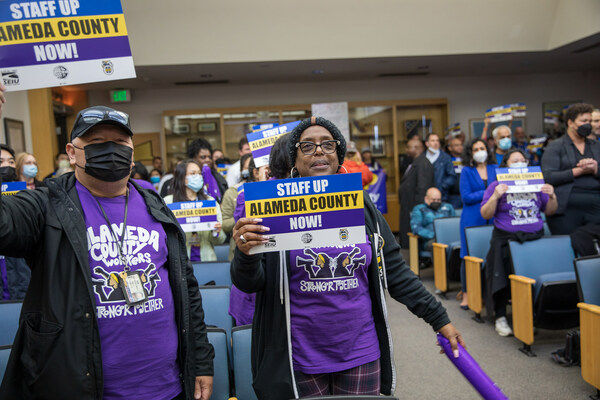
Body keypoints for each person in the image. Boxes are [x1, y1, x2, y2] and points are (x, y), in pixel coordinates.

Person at [231, 116, 464, 400]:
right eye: (307, 146)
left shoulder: (362, 205)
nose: (319, 151)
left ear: (338, 156)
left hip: (359, 347)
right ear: (294, 159)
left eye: (327, 144)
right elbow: (250, 283)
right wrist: (245, 254)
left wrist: (439, 318)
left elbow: (396, 271)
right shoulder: (273, 209)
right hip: (298, 353)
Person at [0, 105, 214, 399]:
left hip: (167, 387)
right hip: (83, 389)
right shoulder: (46, 206)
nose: (110, 151)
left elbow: (187, 290)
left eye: (119, 143)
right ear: (72, 152)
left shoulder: (154, 202)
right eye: (97, 144)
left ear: (131, 150)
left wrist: (200, 360)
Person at [480, 149, 557, 336]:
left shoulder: (536, 183)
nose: (520, 163)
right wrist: (495, 196)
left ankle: (531, 316)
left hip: (534, 238)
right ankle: (500, 316)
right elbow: (485, 214)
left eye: (523, 160)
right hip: (506, 239)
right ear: (506, 165)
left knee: (532, 278)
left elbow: (551, 210)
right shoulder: (496, 185)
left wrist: (553, 195)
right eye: (515, 160)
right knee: (503, 277)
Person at [541, 103, 600, 235]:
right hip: (566, 208)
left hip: (596, 206)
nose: (588, 124)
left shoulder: (597, 146)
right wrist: (579, 170)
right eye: (584, 121)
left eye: (590, 121)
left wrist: (595, 169)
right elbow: (549, 176)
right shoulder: (555, 146)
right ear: (570, 123)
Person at [458, 138, 497, 309]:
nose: (480, 151)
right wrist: (490, 192)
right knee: (469, 256)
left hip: (494, 216)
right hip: (472, 217)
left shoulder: (495, 168)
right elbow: (466, 196)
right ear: (470, 153)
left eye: (482, 147)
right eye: (476, 149)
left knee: (492, 254)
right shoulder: (467, 171)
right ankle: (466, 293)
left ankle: (489, 292)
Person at [164, 160, 225, 262]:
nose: (198, 176)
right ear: (182, 178)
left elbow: (220, 240)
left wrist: (216, 232)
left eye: (199, 173)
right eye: (193, 174)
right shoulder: (168, 203)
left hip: (207, 260)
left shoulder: (210, 203)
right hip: (179, 262)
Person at [0, 144, 31, 300]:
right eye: (1, 162)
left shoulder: (24, 196)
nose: (6, 166)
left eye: (11, 162)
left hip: (22, 285)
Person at [399, 137, 434, 248]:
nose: (406, 150)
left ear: (417, 148)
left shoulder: (423, 163)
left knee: (413, 239)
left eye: (409, 147)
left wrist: (417, 209)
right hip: (408, 204)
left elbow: (422, 188)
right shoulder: (415, 162)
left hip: (414, 206)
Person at [222, 153, 253, 261]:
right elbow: (224, 224)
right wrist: (240, 216)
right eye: (247, 168)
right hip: (238, 249)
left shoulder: (267, 190)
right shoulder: (232, 192)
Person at [410, 187, 455, 251]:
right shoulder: (419, 209)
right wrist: (435, 235)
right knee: (439, 247)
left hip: (448, 238)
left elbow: (454, 224)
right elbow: (416, 228)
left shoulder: (448, 207)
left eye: (438, 200)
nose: (436, 202)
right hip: (430, 240)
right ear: (426, 199)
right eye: (433, 200)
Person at [188, 138, 228, 202]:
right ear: (193, 159)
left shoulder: (219, 178)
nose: (208, 160)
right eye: (203, 157)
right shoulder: (189, 180)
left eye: (209, 157)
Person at [425, 133, 457, 203]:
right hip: (426, 197)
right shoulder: (422, 157)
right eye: (433, 141)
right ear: (427, 143)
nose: (436, 143)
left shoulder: (445, 157)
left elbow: (452, 176)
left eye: (437, 141)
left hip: (442, 196)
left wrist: (442, 187)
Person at [446, 136, 464, 209]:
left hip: (465, 194)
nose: (460, 147)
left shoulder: (467, 159)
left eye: (461, 145)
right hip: (452, 196)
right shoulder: (446, 160)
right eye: (456, 145)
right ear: (450, 148)